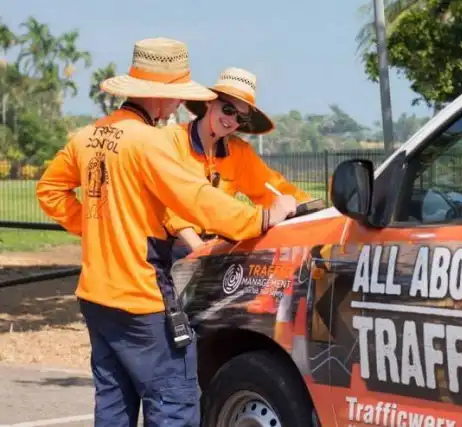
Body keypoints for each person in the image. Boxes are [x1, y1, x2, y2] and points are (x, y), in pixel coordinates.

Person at [35, 38, 296, 427]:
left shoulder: (88, 136)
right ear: (158, 94)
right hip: (141, 299)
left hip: (96, 295)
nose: (179, 104)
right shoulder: (150, 143)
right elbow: (196, 199)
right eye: (177, 95)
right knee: (173, 403)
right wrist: (260, 219)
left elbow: (49, 191)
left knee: (113, 406)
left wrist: (98, 227)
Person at [161, 66, 312, 261]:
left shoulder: (239, 152)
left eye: (240, 117)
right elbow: (167, 203)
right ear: (210, 102)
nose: (231, 120)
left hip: (216, 250)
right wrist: (197, 247)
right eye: (228, 109)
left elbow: (272, 187)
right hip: (171, 249)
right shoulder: (172, 140)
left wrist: (313, 209)